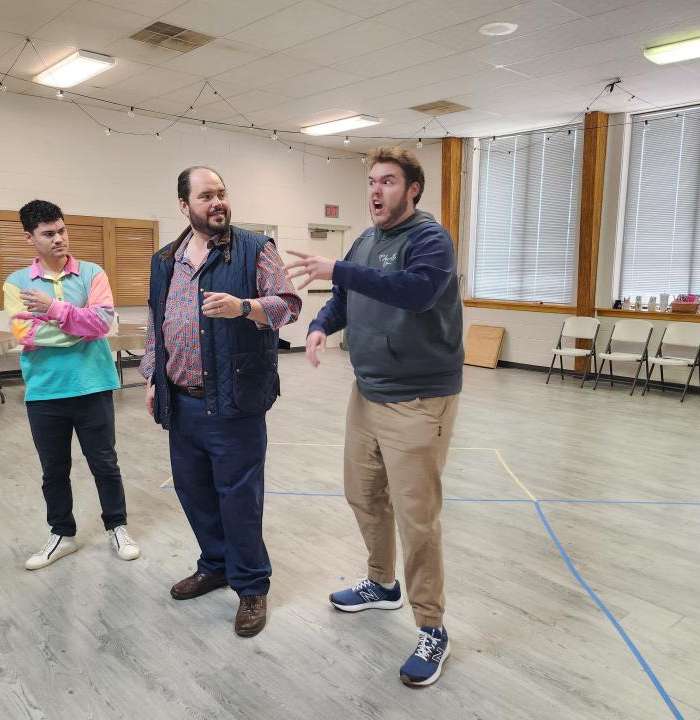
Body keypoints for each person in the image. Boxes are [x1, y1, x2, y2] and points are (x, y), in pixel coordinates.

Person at [286, 146, 463, 687]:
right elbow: (343, 295)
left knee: (417, 518)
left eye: (387, 181)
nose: (375, 191)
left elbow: (415, 292)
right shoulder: (363, 241)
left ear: (413, 190)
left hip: (418, 398)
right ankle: (381, 584)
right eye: (371, 181)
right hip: (368, 393)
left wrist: (336, 267)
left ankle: (433, 628)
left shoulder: (429, 239)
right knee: (362, 494)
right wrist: (320, 324)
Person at [140, 167, 300, 637]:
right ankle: (215, 565)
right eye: (206, 195)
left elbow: (289, 304)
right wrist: (152, 377)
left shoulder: (255, 248)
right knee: (194, 492)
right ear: (184, 206)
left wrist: (245, 307)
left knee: (239, 499)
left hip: (234, 400)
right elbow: (155, 321)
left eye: (222, 194)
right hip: (181, 399)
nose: (217, 202)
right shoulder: (166, 259)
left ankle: (251, 586)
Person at [4, 199, 140, 571]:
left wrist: (52, 309)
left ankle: (117, 526)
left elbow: (101, 325)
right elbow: (24, 335)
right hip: (44, 391)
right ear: (30, 238)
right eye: (48, 233)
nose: (59, 238)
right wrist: (77, 328)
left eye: (61, 230)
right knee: (54, 470)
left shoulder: (93, 273)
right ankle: (62, 534)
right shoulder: (16, 283)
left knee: (105, 464)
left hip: (93, 385)